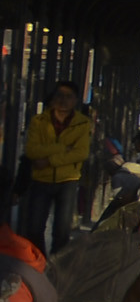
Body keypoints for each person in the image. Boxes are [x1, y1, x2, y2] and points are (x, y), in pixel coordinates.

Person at [15, 81, 93, 255]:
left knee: (62, 231)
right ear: (53, 98)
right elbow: (32, 150)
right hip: (41, 180)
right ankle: (40, 261)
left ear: (75, 100)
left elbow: (80, 153)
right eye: (60, 95)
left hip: (68, 181)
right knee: (34, 228)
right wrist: (63, 148)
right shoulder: (38, 121)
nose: (63, 100)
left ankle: (56, 265)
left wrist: (49, 160)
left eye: (68, 96)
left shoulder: (82, 123)